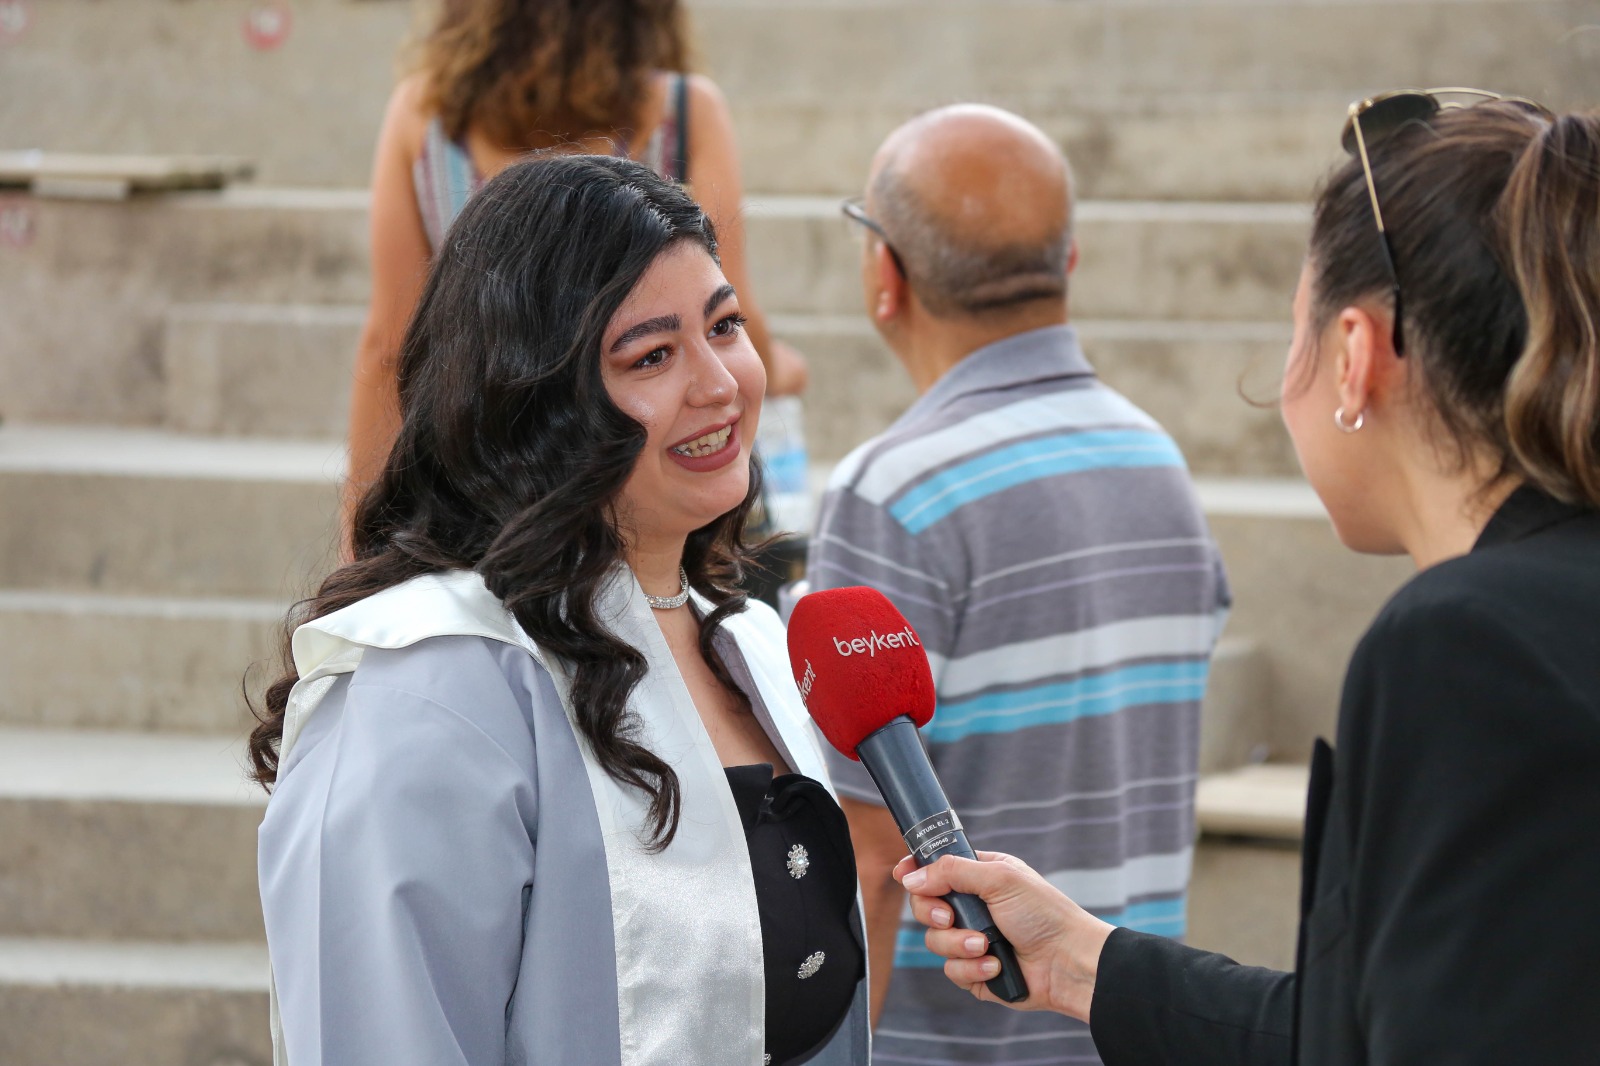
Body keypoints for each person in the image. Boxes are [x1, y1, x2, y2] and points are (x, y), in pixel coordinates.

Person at [895, 92, 1600, 1065]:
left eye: (1295, 331)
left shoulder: (1462, 639)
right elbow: (1395, 1021)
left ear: (1355, 357)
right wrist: (1082, 962)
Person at [250, 155, 867, 1066]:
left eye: (724, 326)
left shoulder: (747, 638)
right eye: (651, 355)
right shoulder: (430, 691)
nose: (719, 384)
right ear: (535, 400)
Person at [808, 104, 1230, 1066]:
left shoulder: (893, 493)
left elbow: (870, 859)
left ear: (885, 275)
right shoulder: (1156, 460)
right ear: (1069, 261)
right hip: (1131, 1029)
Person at [345, 0, 806, 542]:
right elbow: (722, 299)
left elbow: (391, 343)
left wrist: (362, 531)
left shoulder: (426, 112)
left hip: (490, 461)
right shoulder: (681, 109)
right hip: (630, 469)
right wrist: (778, 366)